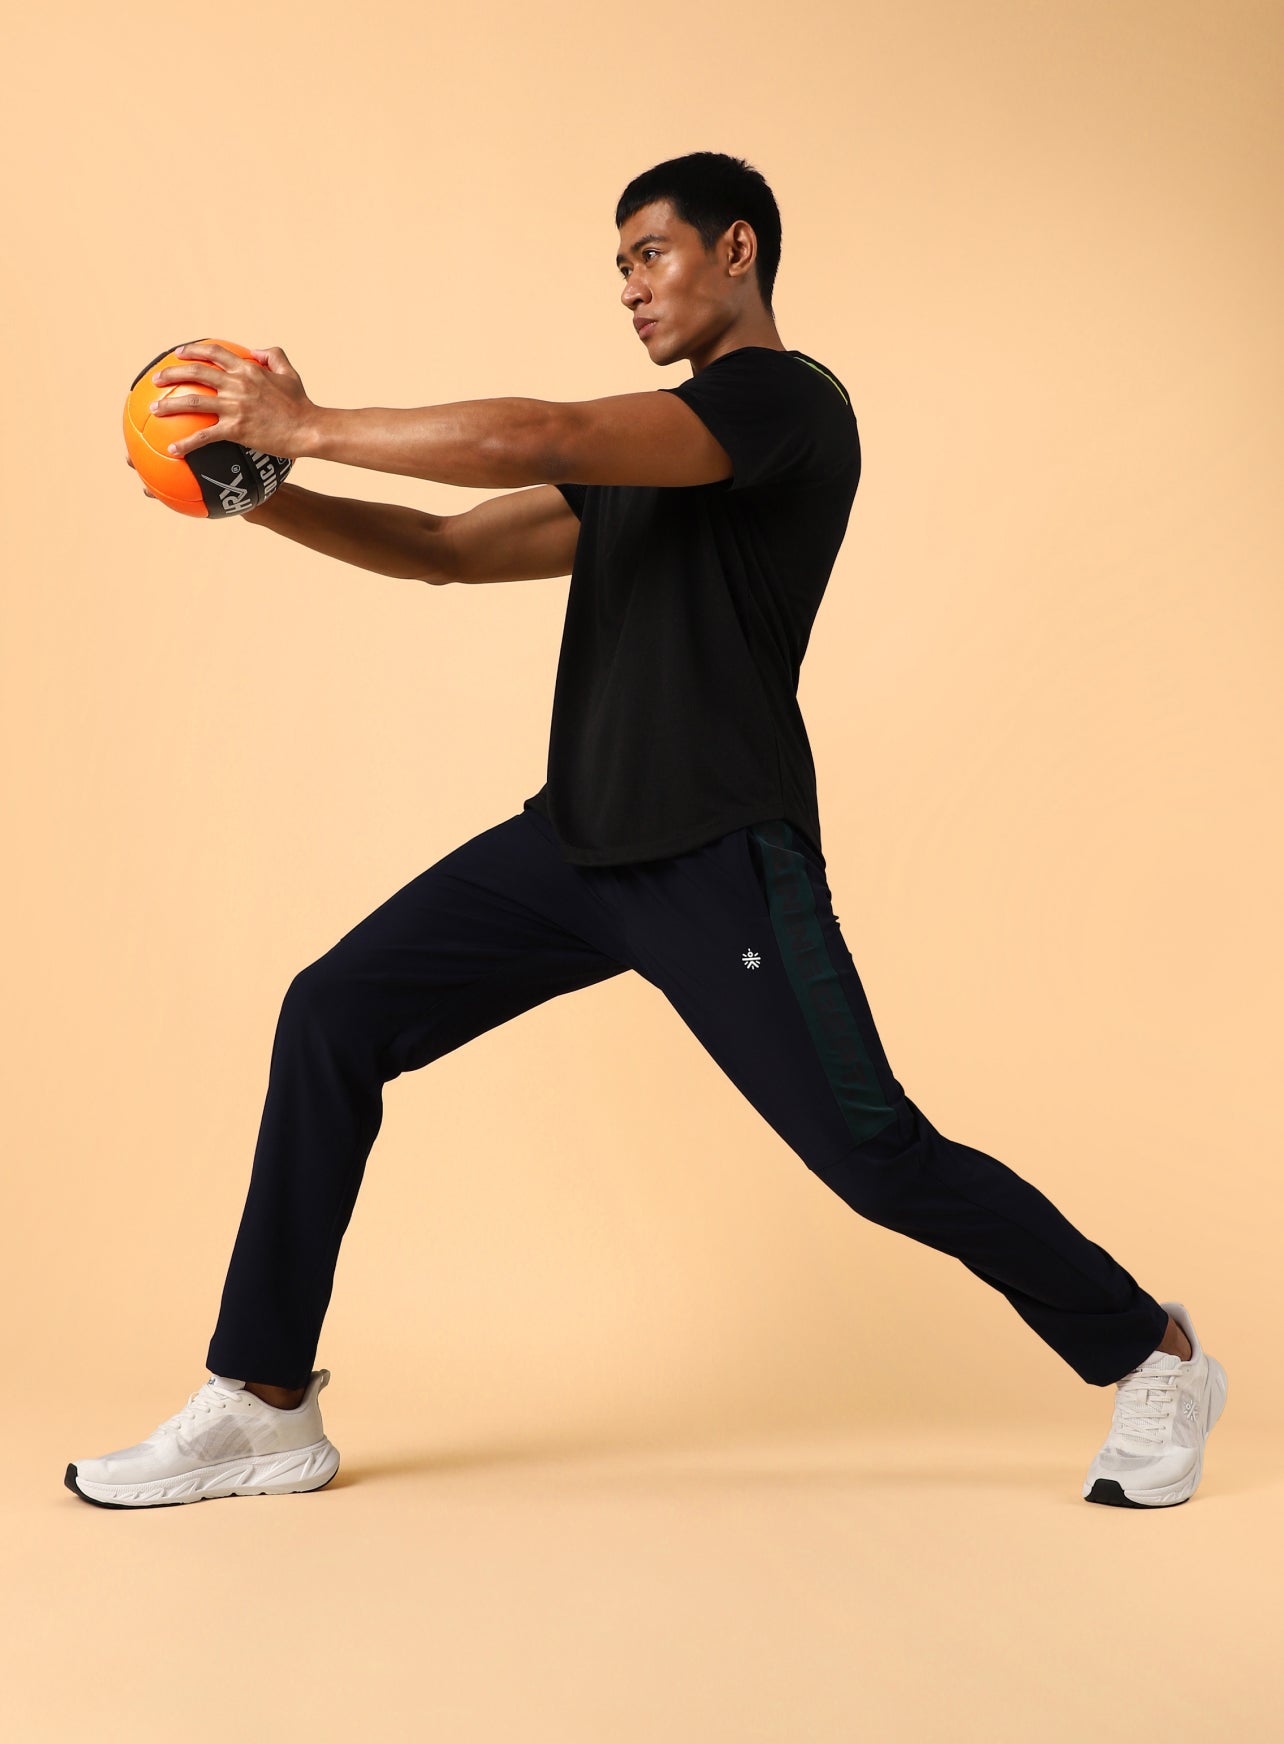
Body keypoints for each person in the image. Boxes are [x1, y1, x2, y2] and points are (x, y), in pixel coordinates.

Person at [67, 151, 1226, 1511]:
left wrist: (308, 422)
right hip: (573, 847)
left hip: (721, 854)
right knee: (332, 1014)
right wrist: (262, 491)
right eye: (618, 266)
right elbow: (446, 551)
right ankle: (265, 1402)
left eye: (650, 254)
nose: (629, 286)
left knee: (876, 1158)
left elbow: (542, 436)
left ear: (738, 250)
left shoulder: (783, 407)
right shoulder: (642, 463)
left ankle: (1153, 1355)